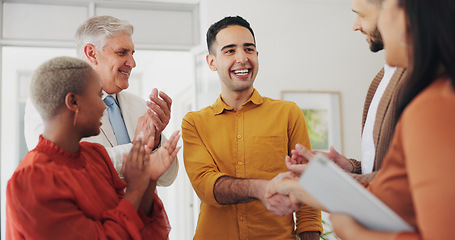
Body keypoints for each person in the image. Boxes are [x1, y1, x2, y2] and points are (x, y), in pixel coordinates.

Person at [269, 0, 455, 239]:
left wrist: (354, 233)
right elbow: (391, 186)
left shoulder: (434, 103)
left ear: (408, 17)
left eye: (385, 10)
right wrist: (308, 185)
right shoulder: (412, 89)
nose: (357, 25)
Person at [6, 56, 181, 239]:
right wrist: (136, 189)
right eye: (99, 96)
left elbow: (134, 221)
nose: (104, 107)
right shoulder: (32, 180)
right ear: (73, 102)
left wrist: (148, 180)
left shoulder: (95, 155)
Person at [181, 16, 322, 239]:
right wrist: (260, 189)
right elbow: (206, 186)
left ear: (257, 55)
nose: (242, 58)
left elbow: (307, 183)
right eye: (229, 50)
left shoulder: (288, 113)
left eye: (249, 49)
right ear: (211, 62)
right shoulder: (194, 122)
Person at [24, 15, 178, 185]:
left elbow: (167, 179)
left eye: (132, 53)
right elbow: (68, 165)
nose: (132, 63)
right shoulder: (52, 101)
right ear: (91, 53)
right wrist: (138, 148)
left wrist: (155, 143)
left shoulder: (141, 107)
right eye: (122, 53)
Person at [288, 0, 407, 183]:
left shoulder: (421, 80)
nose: (355, 26)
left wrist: (336, 180)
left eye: (362, 14)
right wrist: (351, 169)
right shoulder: (383, 77)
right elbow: (384, 170)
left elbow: (405, 180)